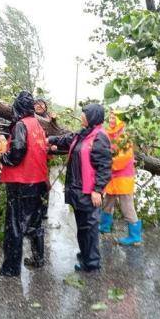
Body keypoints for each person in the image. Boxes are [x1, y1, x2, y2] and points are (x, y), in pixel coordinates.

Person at [47, 104, 112, 272]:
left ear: (93, 117)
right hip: (76, 189)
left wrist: (98, 190)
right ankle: (85, 254)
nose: (82, 116)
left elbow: (104, 166)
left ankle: (91, 263)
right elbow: (67, 140)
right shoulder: (83, 134)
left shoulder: (99, 137)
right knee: (82, 227)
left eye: (85, 114)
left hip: (89, 191)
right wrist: (51, 140)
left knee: (89, 228)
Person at [0, 91, 49, 276]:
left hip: (21, 183)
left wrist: (0, 159)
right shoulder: (38, 125)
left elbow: (17, 153)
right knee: (35, 222)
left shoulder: (20, 125)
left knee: (14, 226)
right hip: (38, 181)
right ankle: (38, 259)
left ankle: (10, 268)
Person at [100, 111, 142, 245]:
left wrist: (106, 162)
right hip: (112, 176)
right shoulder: (109, 134)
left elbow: (123, 157)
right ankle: (105, 227)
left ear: (119, 120)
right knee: (108, 201)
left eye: (114, 118)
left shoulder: (124, 136)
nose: (111, 120)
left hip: (123, 177)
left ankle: (135, 237)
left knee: (127, 206)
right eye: (110, 117)